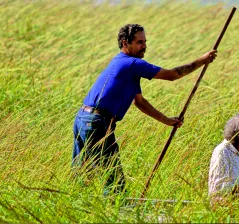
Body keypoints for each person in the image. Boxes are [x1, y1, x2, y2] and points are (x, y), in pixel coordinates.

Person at [72, 24, 217, 194]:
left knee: (82, 174)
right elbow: (172, 75)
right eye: (140, 42)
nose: (144, 46)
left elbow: (139, 102)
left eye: (145, 42)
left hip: (83, 119)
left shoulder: (123, 64)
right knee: (113, 179)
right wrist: (201, 61)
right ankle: (118, 214)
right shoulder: (133, 64)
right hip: (96, 123)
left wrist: (167, 121)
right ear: (125, 43)